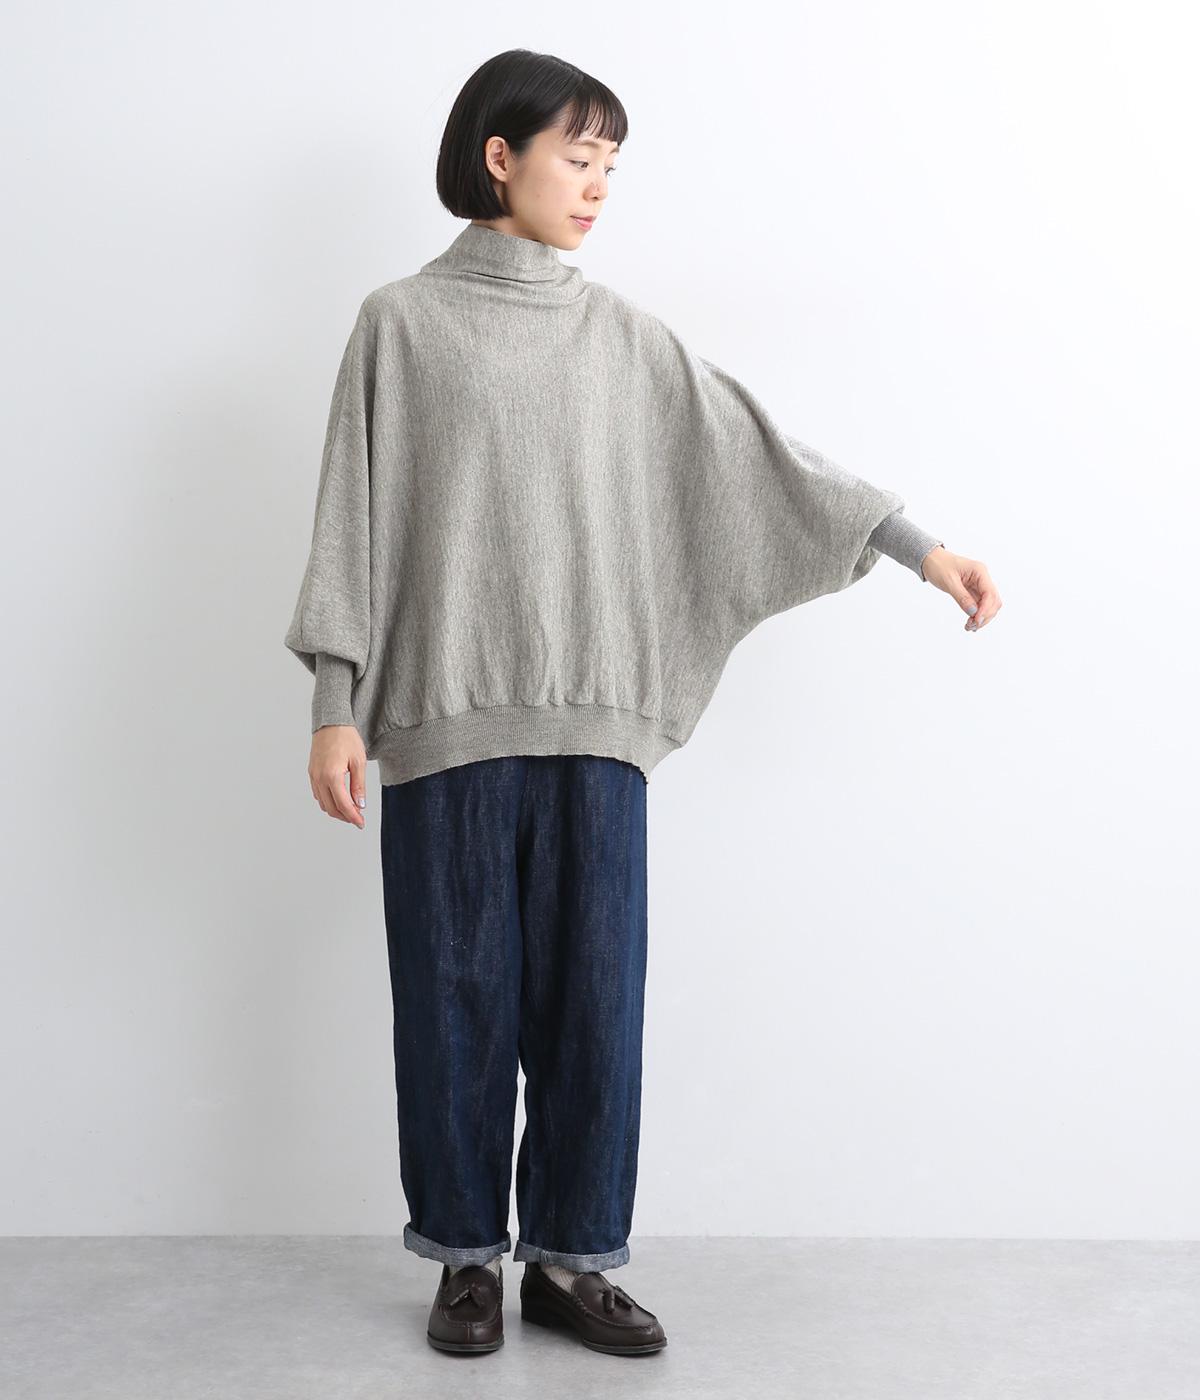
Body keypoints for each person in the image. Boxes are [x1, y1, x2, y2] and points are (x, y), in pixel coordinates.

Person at [283, 48, 1002, 1358]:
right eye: (578, 156)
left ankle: (569, 1262)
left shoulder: (621, 337)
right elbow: (355, 516)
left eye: (611, 164)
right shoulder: (399, 324)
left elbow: (761, 456)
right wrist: (337, 699)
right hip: (443, 716)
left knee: (594, 1006)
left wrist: (918, 546)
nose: (598, 185)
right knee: (452, 1000)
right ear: (499, 157)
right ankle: (464, 1259)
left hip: (598, 723)